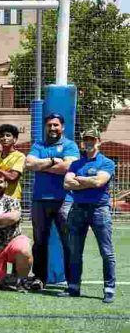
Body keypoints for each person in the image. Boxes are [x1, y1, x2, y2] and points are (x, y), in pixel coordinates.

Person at [24, 113, 79, 289]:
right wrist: (54, 161)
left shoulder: (70, 145)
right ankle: (40, 278)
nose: (53, 128)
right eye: (49, 125)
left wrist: (43, 166)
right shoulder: (38, 145)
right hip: (40, 200)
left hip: (65, 200)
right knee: (40, 242)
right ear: (45, 127)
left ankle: (73, 281)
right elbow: (29, 164)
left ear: (62, 127)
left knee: (69, 242)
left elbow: (69, 167)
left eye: (56, 125)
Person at [61, 129, 116, 303]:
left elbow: (100, 181)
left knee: (106, 252)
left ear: (98, 141)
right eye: (86, 139)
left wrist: (79, 180)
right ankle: (74, 287)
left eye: (92, 139)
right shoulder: (75, 163)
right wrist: (90, 182)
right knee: (75, 251)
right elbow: (66, 183)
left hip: (100, 209)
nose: (89, 142)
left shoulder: (107, 162)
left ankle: (109, 289)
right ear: (82, 142)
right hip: (77, 209)